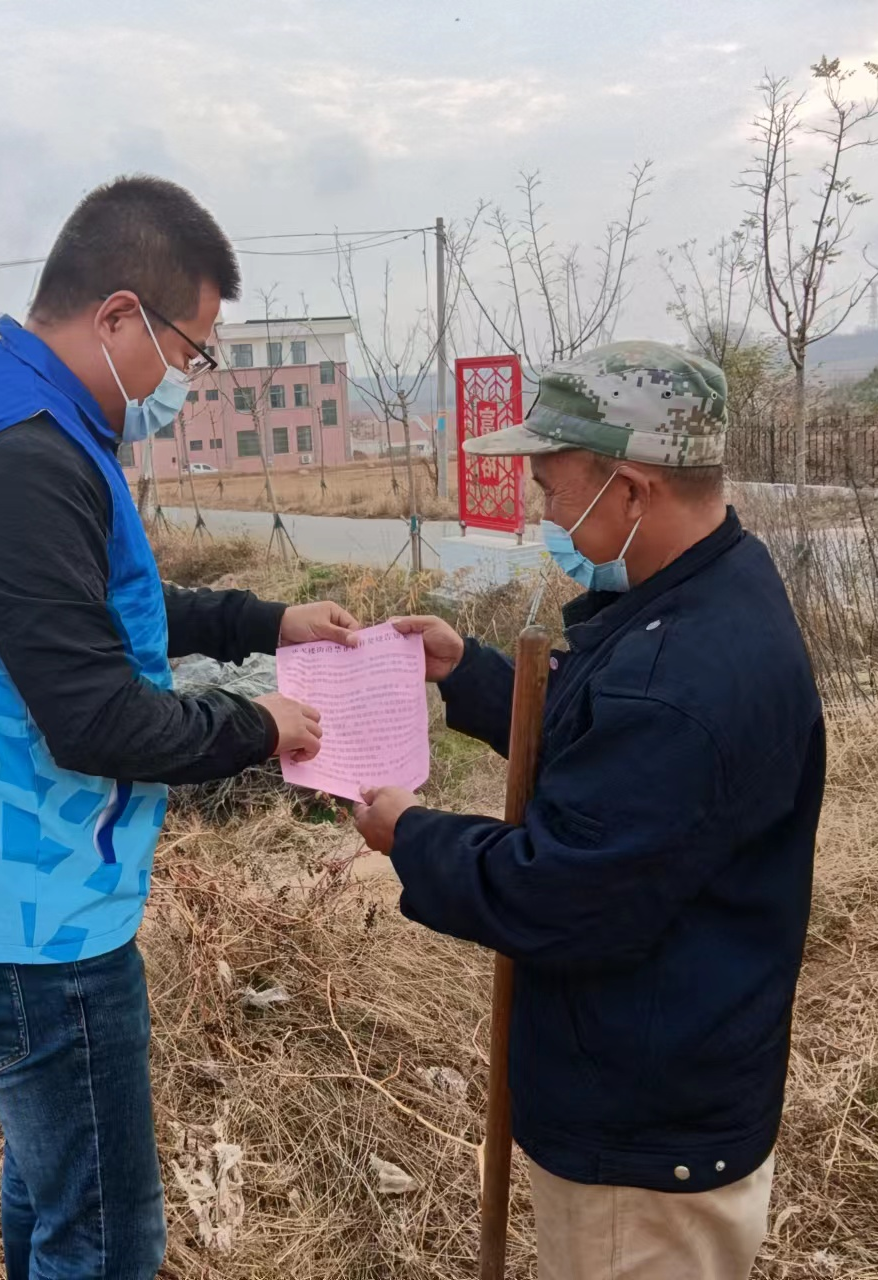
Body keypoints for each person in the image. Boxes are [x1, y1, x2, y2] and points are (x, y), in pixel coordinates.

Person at [0, 174, 357, 1280]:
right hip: (29, 918)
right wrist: (257, 725)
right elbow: (94, 715)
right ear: (117, 317)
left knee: (55, 1190)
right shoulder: (27, 458)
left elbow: (96, 612)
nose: (183, 383)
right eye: (188, 353)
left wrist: (264, 616)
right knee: (102, 1235)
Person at [352, 342, 825, 1280]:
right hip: (669, 1077)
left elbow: (560, 892)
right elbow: (609, 749)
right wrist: (471, 672)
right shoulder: (712, 592)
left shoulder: (678, 678)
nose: (545, 513)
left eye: (556, 489)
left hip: (643, 1143)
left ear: (635, 490)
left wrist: (410, 833)